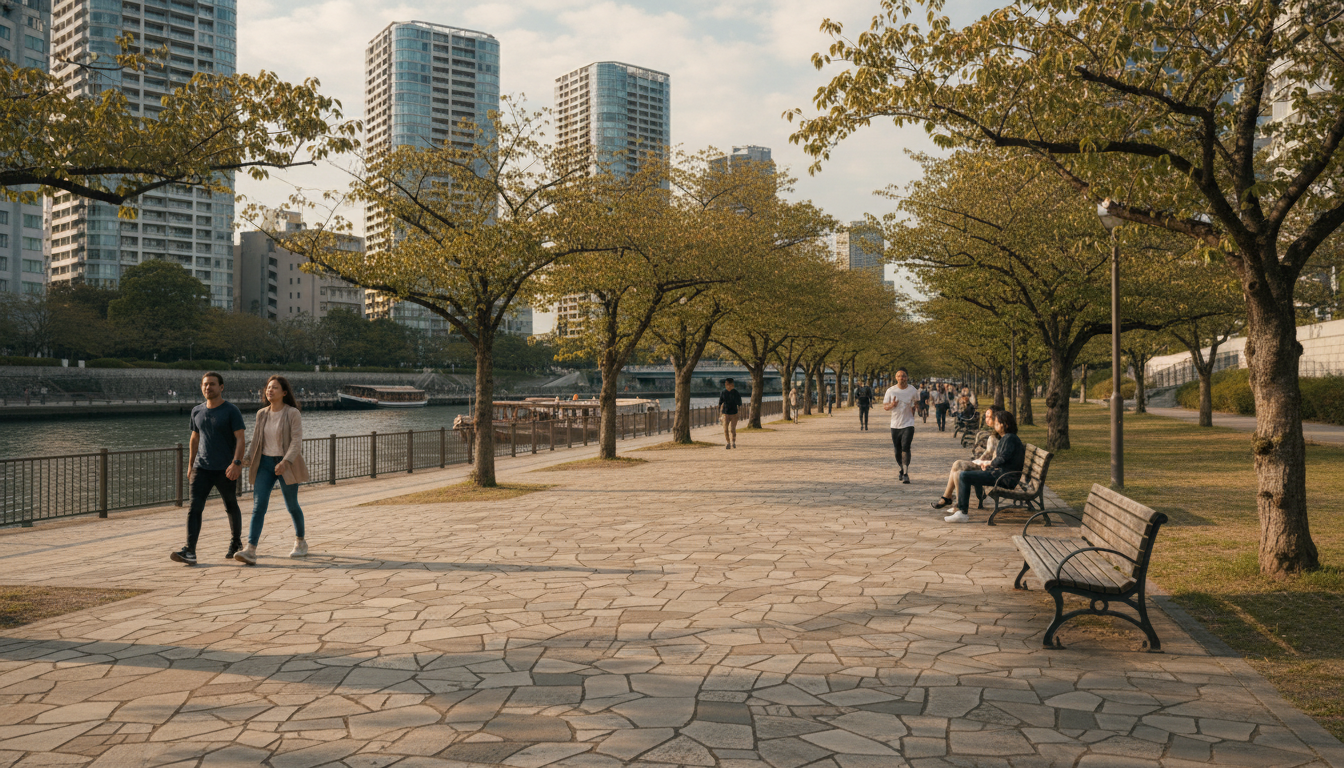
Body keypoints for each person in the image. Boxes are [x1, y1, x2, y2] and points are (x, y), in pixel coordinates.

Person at [171, 372, 245, 566]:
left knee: (230, 505)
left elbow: (240, 438)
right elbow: (194, 439)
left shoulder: (231, 410)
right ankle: (190, 550)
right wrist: (190, 466)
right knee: (194, 508)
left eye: (212, 384)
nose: (208, 388)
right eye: (205, 385)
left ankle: (236, 542)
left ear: (221, 387)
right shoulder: (196, 411)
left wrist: (236, 463)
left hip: (225, 468)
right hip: (201, 468)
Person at [235, 375, 310, 565]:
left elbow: (296, 442)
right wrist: (248, 459)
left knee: (292, 505)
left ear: (284, 393)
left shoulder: (292, 413)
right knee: (258, 506)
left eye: (274, 388)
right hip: (265, 465)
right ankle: (250, 549)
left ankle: (300, 542)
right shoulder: (262, 414)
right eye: (268, 388)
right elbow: (256, 440)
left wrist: (285, 462)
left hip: (286, 464)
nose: (269, 391)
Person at [945, 410, 1024, 523]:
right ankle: (960, 511)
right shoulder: (1006, 438)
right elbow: (1002, 459)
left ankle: (962, 512)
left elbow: (1002, 459)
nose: (994, 424)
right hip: (1000, 474)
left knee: (964, 476)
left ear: (1005, 425)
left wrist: (988, 464)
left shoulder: (1010, 438)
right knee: (962, 474)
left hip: (1005, 478)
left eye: (997, 422)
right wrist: (988, 466)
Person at [932, 405, 999, 510]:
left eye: (989, 417)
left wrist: (977, 462)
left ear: (997, 418)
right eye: (986, 417)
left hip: (989, 468)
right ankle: (949, 498)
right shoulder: (995, 434)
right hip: (988, 465)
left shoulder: (995, 436)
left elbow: (988, 454)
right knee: (957, 466)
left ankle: (952, 500)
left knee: (958, 466)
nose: (987, 420)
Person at [882, 368, 920, 484]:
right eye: (899, 376)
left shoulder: (912, 390)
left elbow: (917, 402)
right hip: (895, 425)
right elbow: (885, 407)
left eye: (903, 376)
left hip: (908, 424)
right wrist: (892, 405)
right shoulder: (891, 391)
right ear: (896, 378)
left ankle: (905, 473)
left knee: (906, 447)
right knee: (897, 450)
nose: (901, 378)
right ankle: (901, 468)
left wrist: (916, 409)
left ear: (907, 377)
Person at [719, 378, 743, 449]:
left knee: (732, 429)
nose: (726, 386)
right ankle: (728, 442)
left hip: (734, 413)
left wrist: (739, 413)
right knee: (725, 429)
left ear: (732, 384)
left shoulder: (736, 393)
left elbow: (740, 403)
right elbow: (720, 403)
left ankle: (733, 441)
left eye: (728, 384)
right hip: (725, 413)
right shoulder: (723, 392)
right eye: (726, 384)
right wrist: (720, 415)